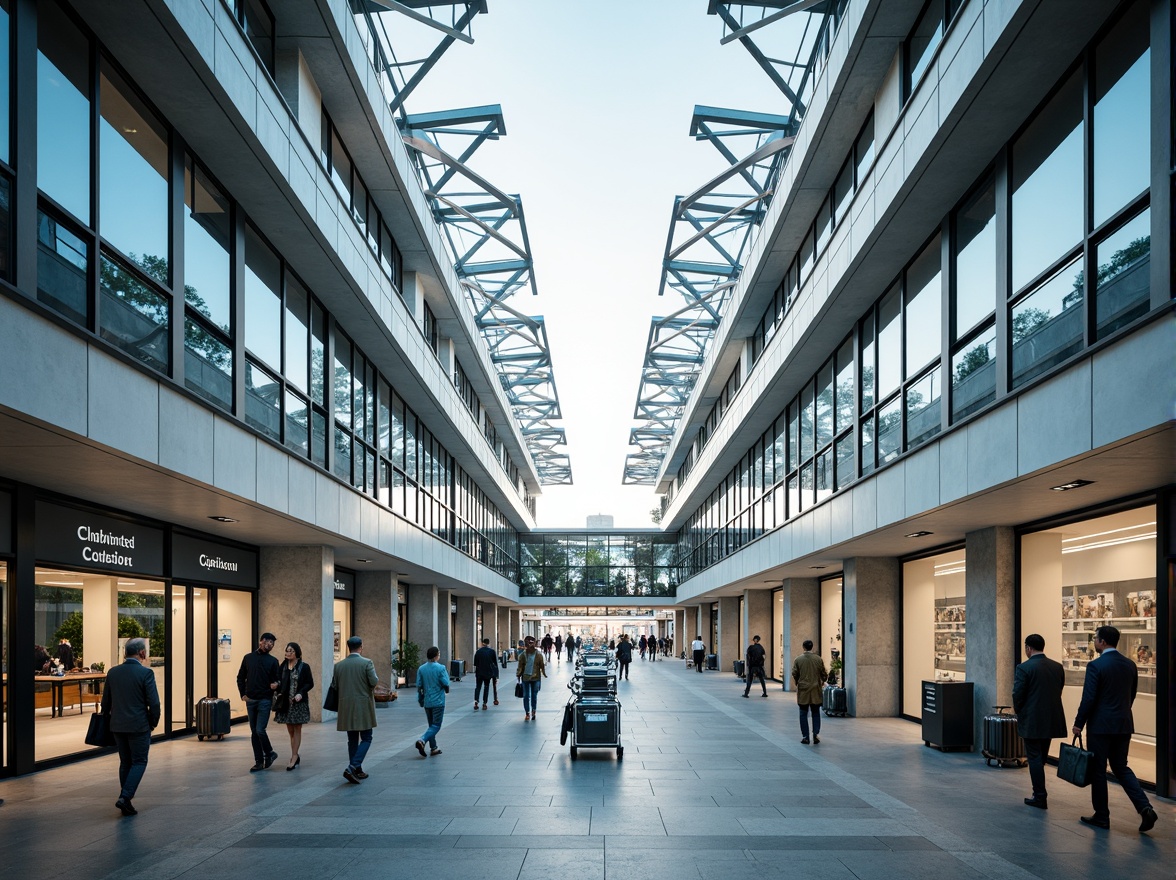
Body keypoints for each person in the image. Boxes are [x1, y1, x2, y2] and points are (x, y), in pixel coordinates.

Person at [1071, 625, 1157, 833]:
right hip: (1123, 724)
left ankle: (1102, 816)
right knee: (1121, 767)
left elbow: (1089, 698)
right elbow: (1132, 694)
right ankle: (1145, 807)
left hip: (1100, 726)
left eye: (1095, 638)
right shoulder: (1130, 665)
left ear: (1102, 642)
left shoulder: (1096, 666)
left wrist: (1078, 723)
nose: (1094, 642)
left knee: (1098, 770)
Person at [101, 637, 160, 816]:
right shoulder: (146, 673)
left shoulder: (113, 672)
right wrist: (153, 722)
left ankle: (125, 799)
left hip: (117, 725)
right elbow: (154, 703)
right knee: (140, 761)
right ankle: (125, 797)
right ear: (142, 653)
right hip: (139, 725)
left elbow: (105, 703)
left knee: (125, 762)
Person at [1011, 633, 1065, 808]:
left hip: (1032, 720)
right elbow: (1059, 690)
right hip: (1050, 719)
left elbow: (1017, 694)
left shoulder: (1024, 668)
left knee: (1033, 757)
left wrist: (1020, 711)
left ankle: (1040, 795)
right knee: (1041, 757)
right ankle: (1039, 792)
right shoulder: (1057, 667)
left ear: (1028, 648)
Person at [331, 636, 378, 784]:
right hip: (363, 705)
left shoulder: (339, 666)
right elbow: (374, 681)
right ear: (361, 646)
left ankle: (357, 770)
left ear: (347, 647)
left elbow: (335, 685)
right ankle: (352, 767)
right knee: (367, 737)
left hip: (345, 706)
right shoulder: (367, 663)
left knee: (352, 739)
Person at [236, 632, 281, 771]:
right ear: (261, 641)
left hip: (265, 700)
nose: (270, 645)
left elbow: (278, 679)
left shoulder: (273, 661)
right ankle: (259, 761)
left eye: (273, 643)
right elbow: (240, 677)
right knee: (254, 732)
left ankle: (269, 753)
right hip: (251, 700)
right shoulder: (248, 658)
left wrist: (277, 684)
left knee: (260, 730)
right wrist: (242, 694)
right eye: (268, 642)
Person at [274, 642, 314, 771]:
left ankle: (294, 756)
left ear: (297, 652)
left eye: (291, 651)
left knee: (297, 728)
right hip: (286, 703)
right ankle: (295, 753)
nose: (288, 653)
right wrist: (276, 685)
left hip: (298, 702)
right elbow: (279, 681)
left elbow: (309, 683)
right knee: (290, 730)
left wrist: (301, 693)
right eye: (286, 651)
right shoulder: (283, 666)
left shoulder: (304, 667)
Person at [415, 646, 450, 757]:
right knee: (436, 725)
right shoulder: (441, 668)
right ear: (436, 655)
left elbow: (419, 686)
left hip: (427, 701)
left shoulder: (421, 669)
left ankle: (433, 747)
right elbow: (445, 683)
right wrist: (446, 690)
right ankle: (422, 740)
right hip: (438, 701)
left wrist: (420, 699)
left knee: (431, 724)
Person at [791, 640, 827, 743]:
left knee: (803, 713)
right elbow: (823, 673)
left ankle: (805, 736)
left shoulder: (798, 659)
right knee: (815, 712)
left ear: (803, 647)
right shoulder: (818, 659)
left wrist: (798, 682)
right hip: (815, 689)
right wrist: (823, 680)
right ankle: (815, 734)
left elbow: (795, 673)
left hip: (803, 690)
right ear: (812, 647)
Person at [516, 636, 547, 721]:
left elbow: (542, 665)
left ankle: (533, 710)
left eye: (531, 643)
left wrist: (544, 673)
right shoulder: (523, 655)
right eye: (528, 643)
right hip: (525, 677)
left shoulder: (539, 654)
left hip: (535, 678)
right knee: (526, 696)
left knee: (534, 695)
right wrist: (518, 674)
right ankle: (527, 712)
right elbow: (520, 666)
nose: (529, 645)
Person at [473, 638, 499, 710]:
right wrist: (496, 675)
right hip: (488, 672)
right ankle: (484, 703)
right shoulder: (492, 651)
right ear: (489, 643)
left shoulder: (478, 652)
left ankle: (476, 701)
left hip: (479, 672)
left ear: (482, 643)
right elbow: (495, 664)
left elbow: (475, 663)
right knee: (486, 687)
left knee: (478, 687)